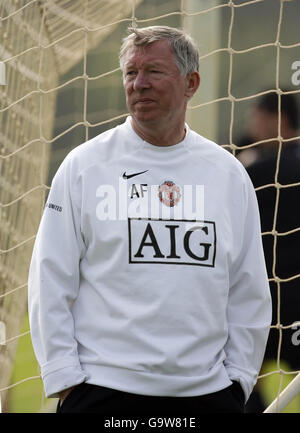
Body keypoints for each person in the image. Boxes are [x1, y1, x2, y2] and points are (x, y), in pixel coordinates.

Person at [28, 26, 272, 415]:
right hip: (102, 391)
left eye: (154, 72)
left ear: (191, 83)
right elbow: (49, 278)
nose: (139, 84)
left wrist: (238, 379)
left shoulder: (227, 174)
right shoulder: (83, 166)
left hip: (205, 395)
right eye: (130, 73)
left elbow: (249, 286)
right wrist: (65, 380)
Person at [238, 92, 300, 412]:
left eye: (257, 117)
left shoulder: (257, 170)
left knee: (240, 374)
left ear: (280, 121)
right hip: (280, 296)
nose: (252, 125)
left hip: (268, 298)